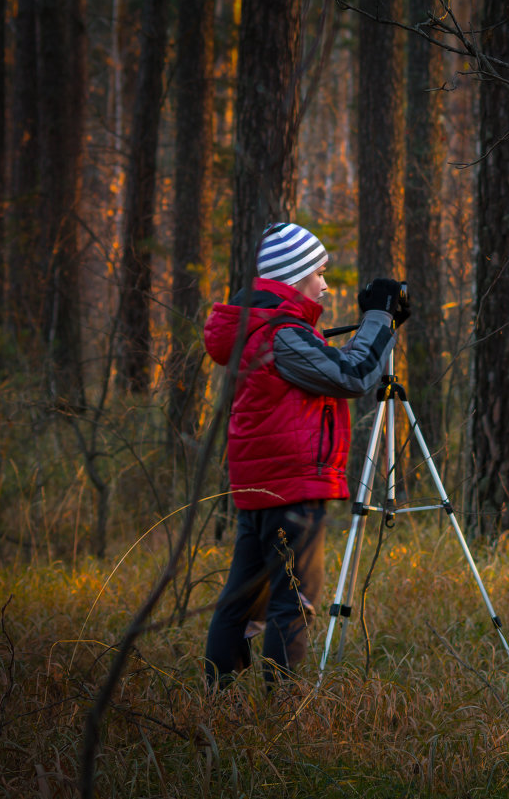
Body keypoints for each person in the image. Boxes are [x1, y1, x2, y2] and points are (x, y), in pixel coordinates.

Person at [202, 222, 409, 688]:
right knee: (292, 603)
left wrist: (380, 323)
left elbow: (330, 367)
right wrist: (379, 318)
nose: (325, 283)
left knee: (240, 603)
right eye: (319, 272)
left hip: (262, 483)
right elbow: (352, 375)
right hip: (290, 484)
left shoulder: (262, 328)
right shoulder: (282, 332)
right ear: (295, 277)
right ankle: (282, 717)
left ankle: (216, 701)